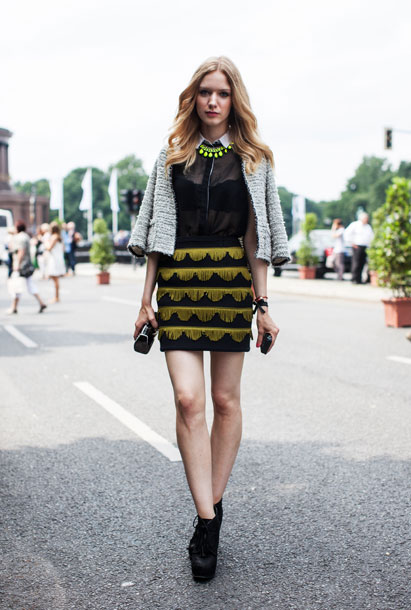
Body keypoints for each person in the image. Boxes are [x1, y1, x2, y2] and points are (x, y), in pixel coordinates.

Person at [128, 56, 290, 581]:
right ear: (193, 98)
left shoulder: (255, 159)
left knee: (225, 400)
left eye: (222, 92)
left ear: (233, 98)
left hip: (229, 284)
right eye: (205, 92)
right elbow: (157, 232)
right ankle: (206, 516)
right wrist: (145, 300)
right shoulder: (173, 154)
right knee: (188, 399)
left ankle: (210, 513)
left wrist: (263, 306)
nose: (213, 101)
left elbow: (257, 238)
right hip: (178, 283)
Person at [7, 220, 47, 314]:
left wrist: (17, 265)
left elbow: (21, 251)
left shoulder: (20, 237)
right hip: (27, 265)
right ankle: (41, 303)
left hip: (21, 266)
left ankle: (14, 307)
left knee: (16, 286)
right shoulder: (25, 236)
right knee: (30, 285)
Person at [344, 212, 374, 284]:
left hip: (365, 247)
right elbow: (347, 233)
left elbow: (371, 237)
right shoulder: (355, 225)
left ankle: (359, 279)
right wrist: (351, 242)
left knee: (362, 263)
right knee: (356, 263)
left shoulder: (368, 227)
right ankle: (354, 278)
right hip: (357, 246)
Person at [45, 222, 66, 303]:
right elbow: (63, 249)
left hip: (54, 259)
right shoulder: (59, 237)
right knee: (55, 278)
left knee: (55, 278)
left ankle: (56, 297)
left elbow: (49, 248)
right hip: (57, 258)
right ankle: (56, 296)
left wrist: (46, 243)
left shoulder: (54, 237)